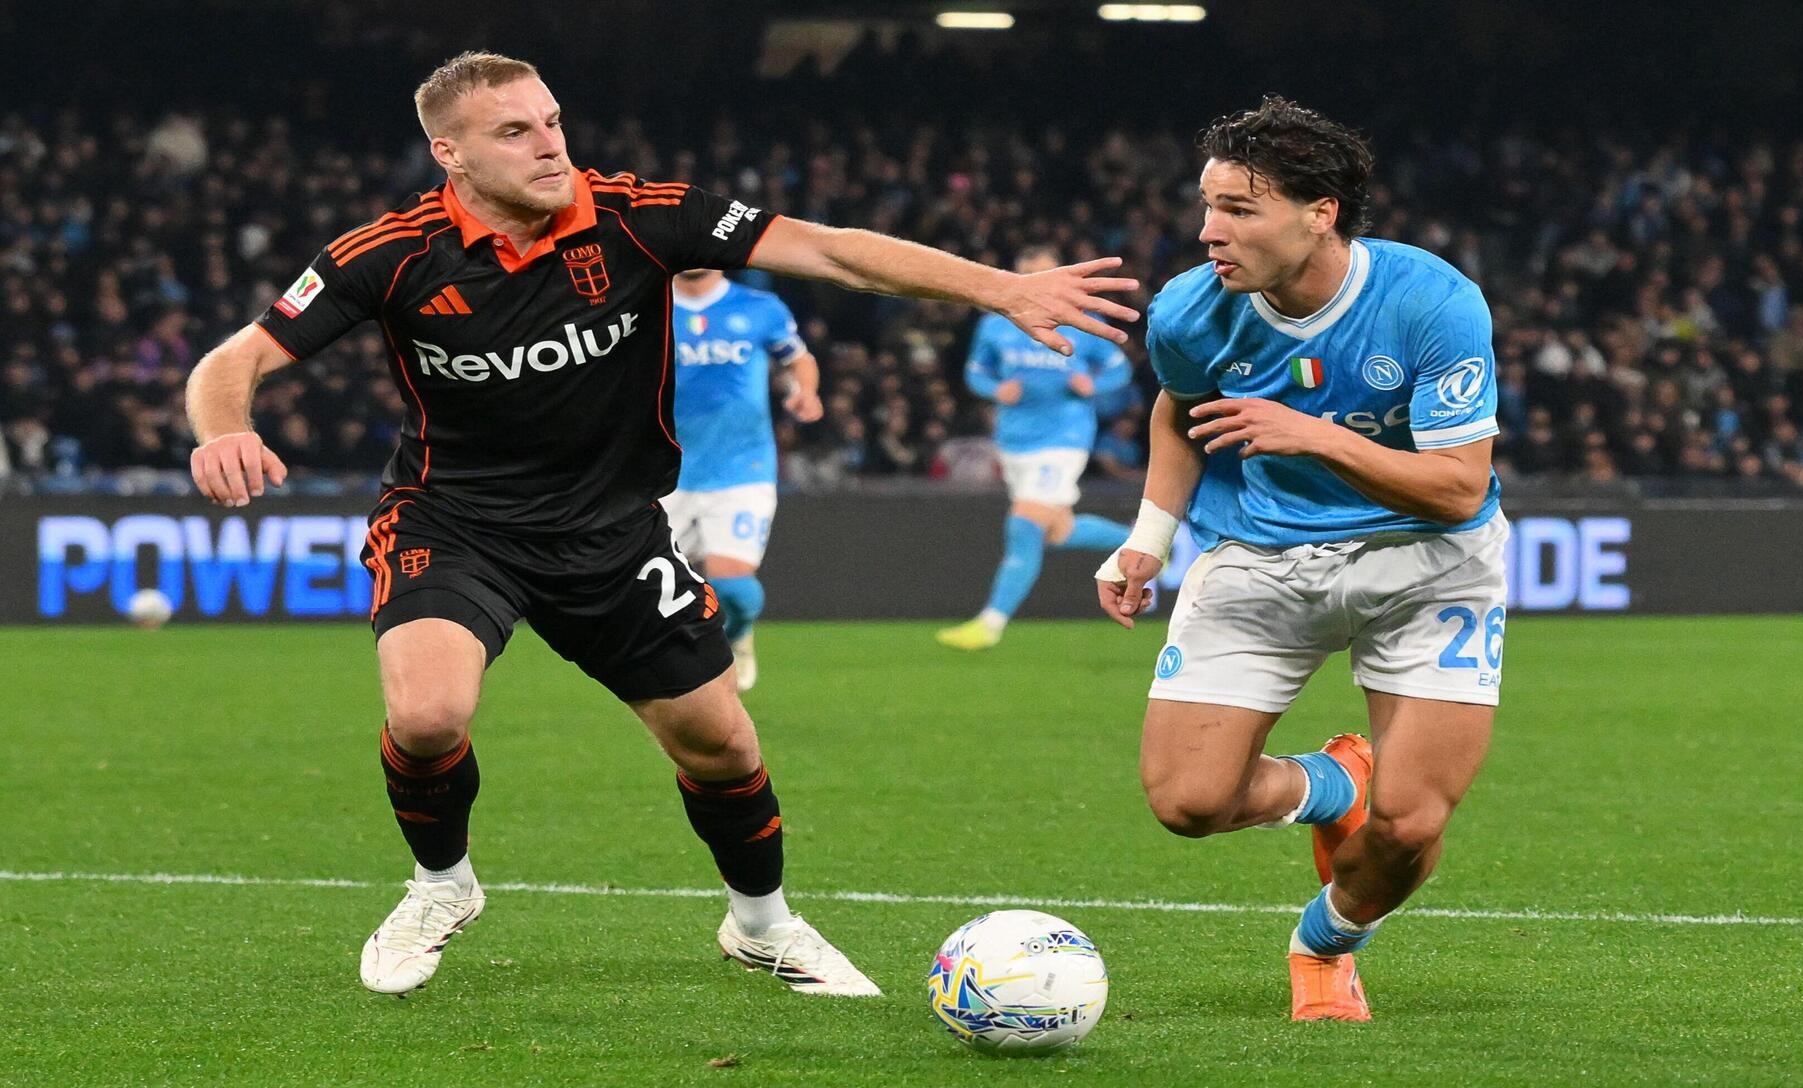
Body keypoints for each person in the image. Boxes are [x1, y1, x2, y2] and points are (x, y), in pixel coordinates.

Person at [184, 51, 1136, 998]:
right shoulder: (386, 253)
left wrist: (1001, 288)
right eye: (515, 132)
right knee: (429, 714)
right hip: (456, 519)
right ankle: (442, 887)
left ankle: (761, 925)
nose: (550, 145)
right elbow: (235, 359)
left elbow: (833, 248)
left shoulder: (642, 216)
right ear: (451, 153)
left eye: (552, 120)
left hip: (613, 530)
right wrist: (225, 429)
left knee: (719, 742)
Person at [1094, 96, 1506, 1022]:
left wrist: (1311, 435)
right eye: (1207, 206)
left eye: (1240, 209)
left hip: (1426, 562)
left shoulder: (1429, 300)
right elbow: (1178, 408)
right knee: (1188, 803)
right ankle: (1336, 783)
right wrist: (1146, 541)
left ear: (1319, 212)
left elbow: (1456, 488)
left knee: (1410, 825)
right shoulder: (1191, 313)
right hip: (1261, 557)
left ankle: (1325, 946)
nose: (1210, 232)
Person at [937, 245, 1137, 650]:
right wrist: (996, 389)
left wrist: (1093, 386)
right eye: (1032, 275)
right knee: (1057, 531)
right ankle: (1140, 542)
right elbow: (975, 372)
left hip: (1064, 437)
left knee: (1024, 524)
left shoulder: (1081, 323)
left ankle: (990, 623)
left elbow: (1119, 368)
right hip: (1014, 440)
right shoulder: (996, 325)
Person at [660, 267, 821, 691]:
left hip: (741, 469)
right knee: (650, 593)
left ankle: (737, 636)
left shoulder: (759, 308)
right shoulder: (645, 304)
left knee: (733, 588)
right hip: (661, 472)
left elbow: (798, 358)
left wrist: (805, 390)